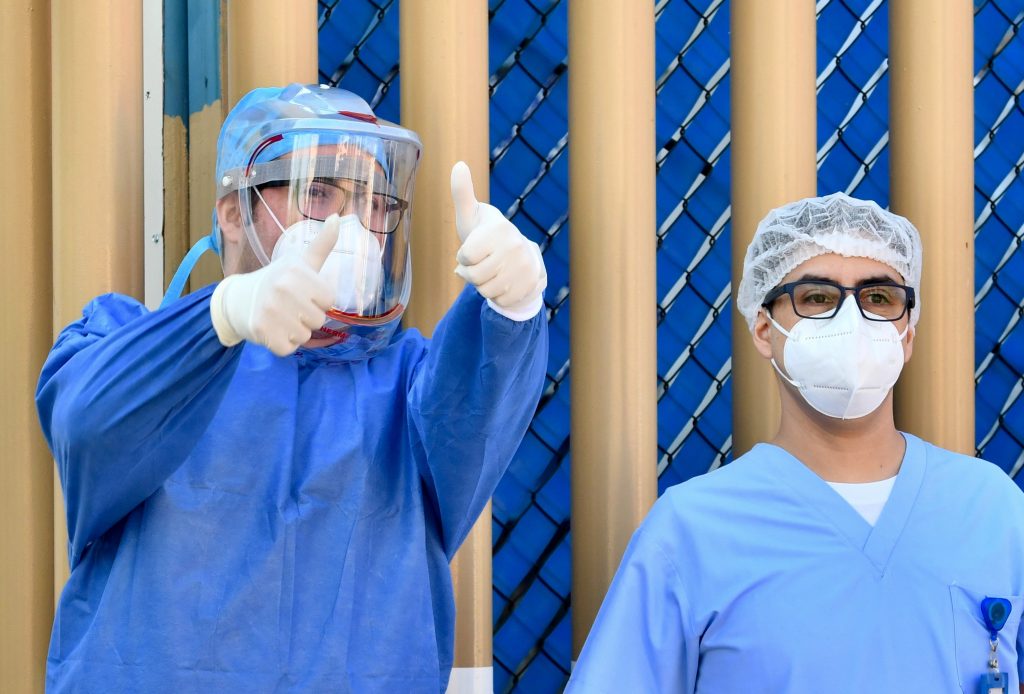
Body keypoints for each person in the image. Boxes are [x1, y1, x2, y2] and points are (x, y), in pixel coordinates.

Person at [36, 83, 548, 693]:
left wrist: (513, 312)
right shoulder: (130, 342)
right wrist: (221, 317)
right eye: (320, 192)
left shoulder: (409, 385)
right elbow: (86, 420)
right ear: (233, 211)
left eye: (375, 202)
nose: (355, 225)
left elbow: (475, 415)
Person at [566, 193, 1024, 693]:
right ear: (765, 328)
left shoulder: (994, 510)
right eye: (818, 297)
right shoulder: (692, 532)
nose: (852, 321)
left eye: (878, 298)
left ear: (907, 333)